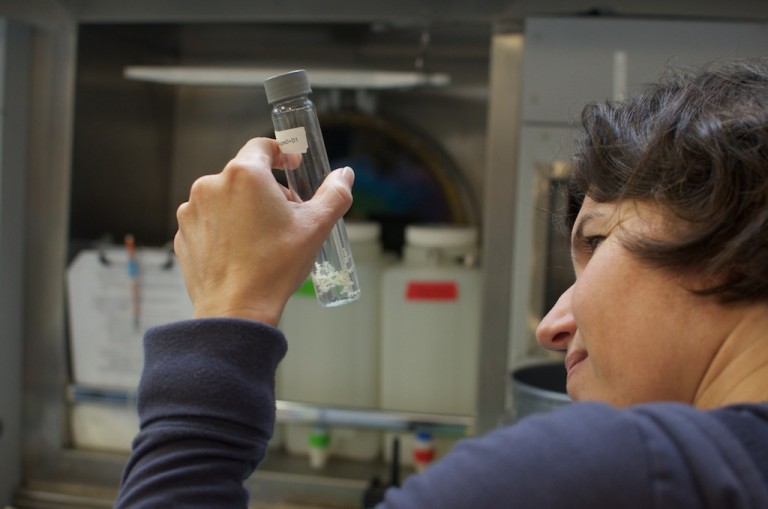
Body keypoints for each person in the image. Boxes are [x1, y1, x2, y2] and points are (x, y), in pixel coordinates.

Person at [116, 59, 768, 508]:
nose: (552, 326)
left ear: (738, 247)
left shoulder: (604, 473)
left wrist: (227, 313)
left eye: (596, 243)